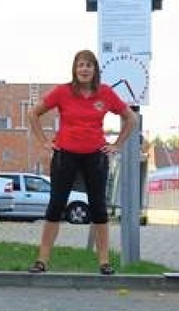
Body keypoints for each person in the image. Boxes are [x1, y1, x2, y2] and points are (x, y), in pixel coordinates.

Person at [27, 49, 138, 275]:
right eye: (80, 65)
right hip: (65, 154)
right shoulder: (62, 92)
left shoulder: (105, 93)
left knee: (98, 207)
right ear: (74, 69)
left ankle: (104, 262)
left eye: (89, 65)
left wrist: (116, 144)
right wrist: (44, 141)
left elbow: (131, 118)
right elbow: (33, 114)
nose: (84, 69)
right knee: (56, 205)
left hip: (95, 156)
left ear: (95, 69)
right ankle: (42, 260)